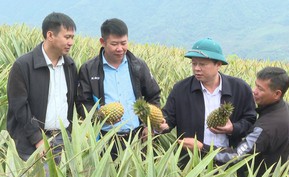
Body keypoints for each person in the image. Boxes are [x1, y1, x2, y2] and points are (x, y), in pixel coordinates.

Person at [179, 67, 289, 177]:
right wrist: (233, 129)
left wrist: (201, 148)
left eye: (260, 89)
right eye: (256, 85)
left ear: (277, 94)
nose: (254, 91)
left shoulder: (265, 127)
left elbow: (237, 156)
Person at [77, 18, 164, 159]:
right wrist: (99, 116)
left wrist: (150, 125)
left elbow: (154, 96)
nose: (120, 48)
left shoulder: (138, 66)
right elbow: (82, 102)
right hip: (104, 139)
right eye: (114, 44)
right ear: (102, 42)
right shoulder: (89, 69)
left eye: (124, 43)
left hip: (137, 136)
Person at [162, 38, 257, 167]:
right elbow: (169, 117)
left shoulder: (239, 88)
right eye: (194, 63)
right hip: (191, 163)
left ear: (218, 64)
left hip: (228, 161)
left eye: (202, 64)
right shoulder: (181, 89)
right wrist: (161, 125)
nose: (197, 68)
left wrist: (232, 128)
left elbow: (251, 120)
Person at [7, 12, 78, 164]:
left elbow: (70, 101)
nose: (71, 42)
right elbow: (19, 106)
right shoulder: (23, 65)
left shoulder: (70, 66)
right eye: (67, 37)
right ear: (50, 35)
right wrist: (38, 139)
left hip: (62, 140)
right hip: (31, 143)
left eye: (72, 37)